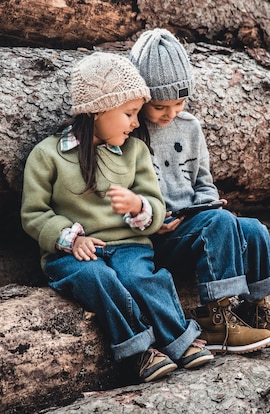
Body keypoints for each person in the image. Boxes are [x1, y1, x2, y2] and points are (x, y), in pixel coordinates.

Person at [20, 52, 213, 383]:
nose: (136, 123)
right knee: (99, 278)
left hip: (129, 246)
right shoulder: (49, 155)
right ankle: (139, 352)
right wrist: (70, 239)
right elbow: (34, 213)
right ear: (97, 111)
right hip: (72, 255)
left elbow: (154, 204)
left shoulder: (134, 152)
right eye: (129, 113)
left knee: (140, 278)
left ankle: (180, 341)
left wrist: (139, 206)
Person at [129, 29, 270, 354]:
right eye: (161, 106)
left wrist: (208, 204)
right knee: (219, 224)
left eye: (179, 103)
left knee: (252, 229)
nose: (171, 113)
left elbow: (203, 182)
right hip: (157, 234)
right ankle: (216, 319)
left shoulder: (190, 127)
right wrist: (154, 219)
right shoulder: (129, 133)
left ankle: (255, 310)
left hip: (194, 223)